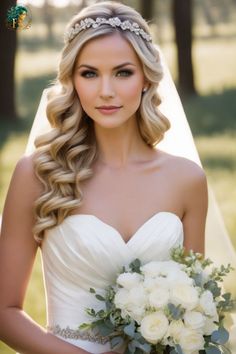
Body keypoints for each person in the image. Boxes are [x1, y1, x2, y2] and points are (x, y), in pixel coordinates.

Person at [0, 1, 208, 353]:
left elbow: (194, 309)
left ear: (146, 79)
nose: (106, 91)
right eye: (90, 73)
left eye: (123, 72)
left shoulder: (187, 180)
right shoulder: (38, 174)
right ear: (72, 80)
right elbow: (4, 311)